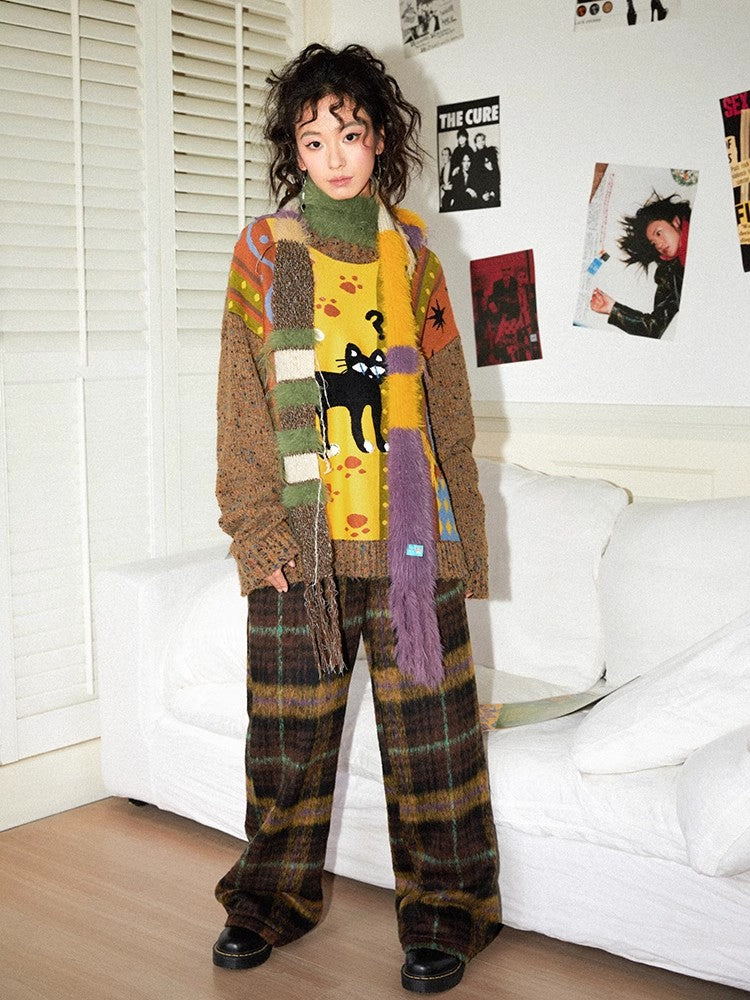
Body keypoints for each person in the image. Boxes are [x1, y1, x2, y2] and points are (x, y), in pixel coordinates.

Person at [213, 43, 501, 995]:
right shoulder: (263, 252)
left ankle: (449, 915)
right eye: (314, 139)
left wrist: (465, 535)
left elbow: (448, 399)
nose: (334, 155)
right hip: (303, 543)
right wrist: (253, 529)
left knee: (437, 747)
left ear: (381, 139)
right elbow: (241, 398)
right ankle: (267, 903)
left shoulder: (414, 255)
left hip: (413, 540)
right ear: (292, 150)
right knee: (287, 742)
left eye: (351, 133)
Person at [590, 191, 691, 339]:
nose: (659, 244)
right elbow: (654, 327)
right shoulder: (669, 274)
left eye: (658, 233)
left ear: (675, 222)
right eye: (654, 243)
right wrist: (612, 309)